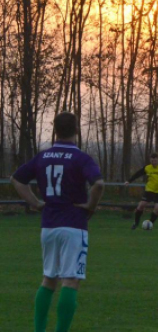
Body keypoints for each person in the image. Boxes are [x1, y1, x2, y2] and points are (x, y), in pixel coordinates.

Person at [11, 112, 105, 332]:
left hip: (49, 225)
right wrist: (91, 206)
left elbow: (16, 179)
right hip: (73, 225)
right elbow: (98, 184)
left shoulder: (42, 157)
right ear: (76, 130)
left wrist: (36, 203)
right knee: (71, 281)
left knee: (49, 279)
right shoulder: (81, 158)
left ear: (55, 130)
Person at [125, 152, 158, 229]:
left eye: (155, 160)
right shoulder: (147, 167)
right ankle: (136, 223)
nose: (153, 162)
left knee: (157, 210)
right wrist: (129, 181)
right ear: (150, 160)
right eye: (152, 161)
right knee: (141, 205)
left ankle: (150, 224)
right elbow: (138, 174)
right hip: (150, 190)